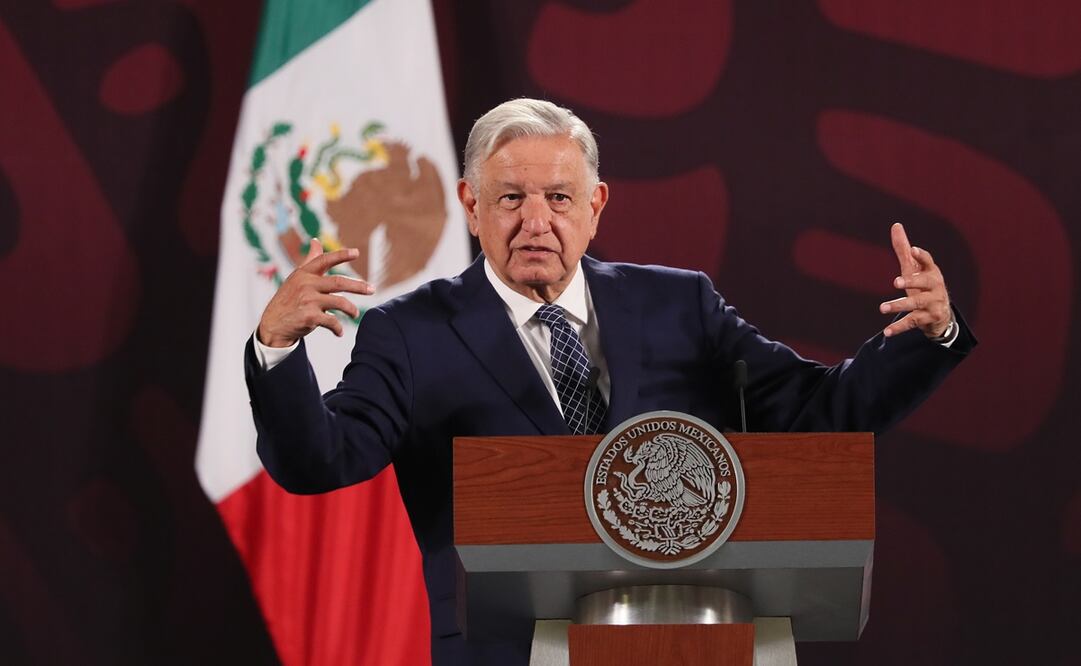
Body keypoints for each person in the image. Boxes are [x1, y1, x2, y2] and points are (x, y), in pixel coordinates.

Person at [245, 98, 975, 665]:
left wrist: (927, 334)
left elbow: (819, 413)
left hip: (694, 640)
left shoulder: (678, 304)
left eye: (559, 198)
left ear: (595, 206)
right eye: (510, 198)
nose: (536, 222)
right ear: (470, 205)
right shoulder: (411, 331)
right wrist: (276, 349)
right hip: (507, 651)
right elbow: (322, 460)